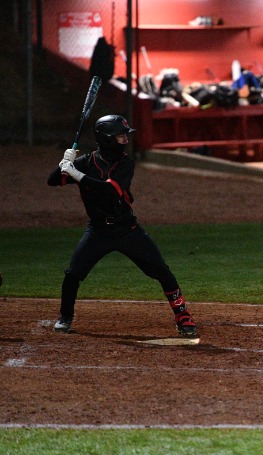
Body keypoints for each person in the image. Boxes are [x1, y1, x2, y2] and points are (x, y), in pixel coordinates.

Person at [47, 115, 197, 337]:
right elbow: (52, 180)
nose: (126, 140)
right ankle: (65, 317)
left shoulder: (126, 163)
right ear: (107, 139)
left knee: (161, 271)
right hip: (97, 231)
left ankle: (182, 315)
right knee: (73, 274)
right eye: (120, 136)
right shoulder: (86, 162)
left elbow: (111, 191)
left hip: (127, 230)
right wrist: (63, 163)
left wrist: (76, 174)